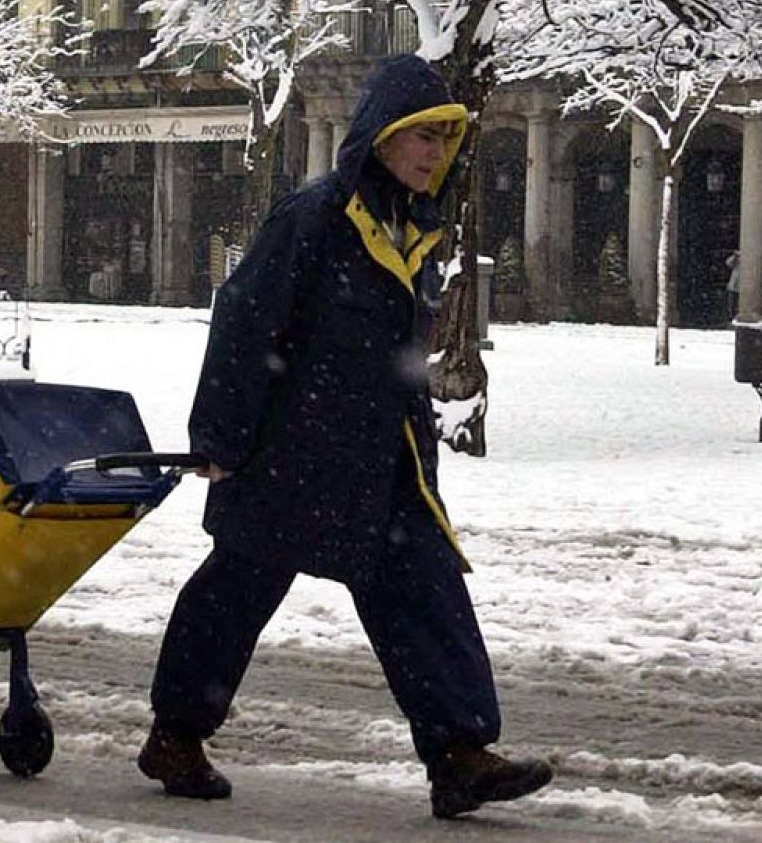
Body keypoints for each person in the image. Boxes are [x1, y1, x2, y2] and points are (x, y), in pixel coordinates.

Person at [138, 54, 553, 820]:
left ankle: (459, 754)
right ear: (382, 137)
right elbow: (245, 321)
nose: (435, 152)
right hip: (291, 452)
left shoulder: (416, 227)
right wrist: (219, 439)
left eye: (443, 139)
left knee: (425, 590)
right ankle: (177, 735)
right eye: (421, 136)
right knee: (236, 593)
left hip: (383, 456)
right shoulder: (316, 217)